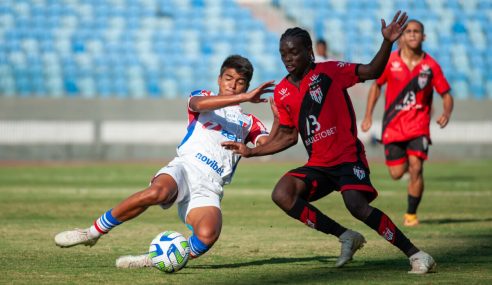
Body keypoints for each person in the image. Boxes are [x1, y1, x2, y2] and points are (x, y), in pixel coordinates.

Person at [222, 11, 437, 274]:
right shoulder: (282, 92)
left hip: (347, 157)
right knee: (282, 193)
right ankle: (346, 236)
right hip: (319, 165)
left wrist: (387, 42)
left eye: (294, 52)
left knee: (356, 205)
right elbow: (289, 137)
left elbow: (372, 70)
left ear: (309, 51)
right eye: (283, 54)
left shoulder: (330, 71)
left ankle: (417, 255)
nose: (288, 58)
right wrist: (252, 152)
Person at [54, 55, 275, 268]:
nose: (233, 85)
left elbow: (268, 144)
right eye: (229, 78)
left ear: (247, 85)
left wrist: (275, 123)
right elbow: (199, 105)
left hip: (210, 187)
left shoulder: (250, 122)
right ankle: (91, 233)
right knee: (156, 193)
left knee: (207, 236)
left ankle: (153, 260)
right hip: (186, 168)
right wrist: (244, 98)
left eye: (240, 82)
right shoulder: (203, 95)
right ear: (219, 79)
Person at [360, 19, 454, 227]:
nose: (412, 34)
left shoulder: (431, 66)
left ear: (424, 37)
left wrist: (446, 112)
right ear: (402, 37)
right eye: (408, 31)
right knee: (396, 173)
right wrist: (368, 115)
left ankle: (411, 214)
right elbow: (376, 87)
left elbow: (446, 94)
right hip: (393, 127)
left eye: (416, 31)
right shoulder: (390, 61)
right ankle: (405, 170)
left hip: (418, 127)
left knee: (416, 167)